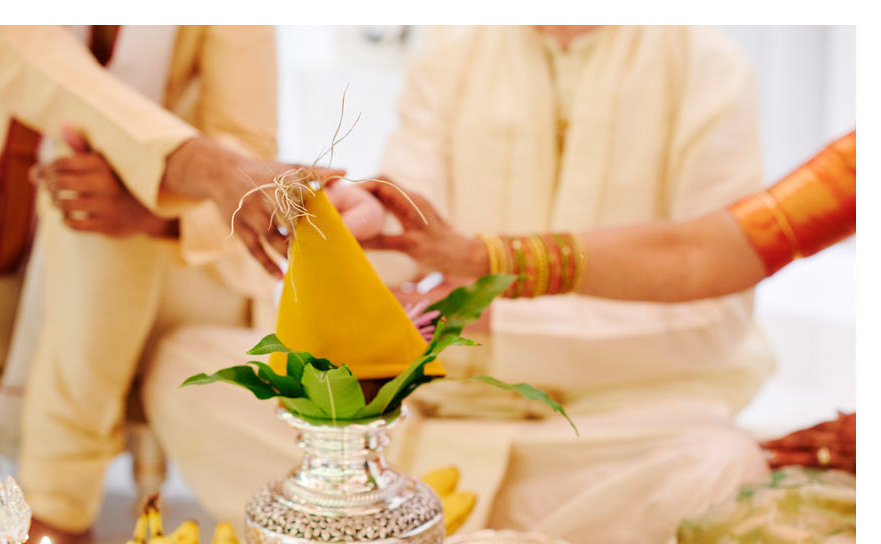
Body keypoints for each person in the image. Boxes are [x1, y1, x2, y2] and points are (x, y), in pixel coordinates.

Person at [139, 25, 776, 544]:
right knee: (183, 371)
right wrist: (353, 222)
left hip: (598, 424)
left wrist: (496, 319)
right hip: (432, 406)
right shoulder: (455, 47)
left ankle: (390, 529)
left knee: (721, 464)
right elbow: (410, 244)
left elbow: (713, 318)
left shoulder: (707, 65)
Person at [0, 25, 309, 544]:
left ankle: (56, 498)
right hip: (21, 244)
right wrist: (195, 163)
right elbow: (29, 59)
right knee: (64, 162)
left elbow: (248, 152)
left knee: (91, 173)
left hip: (177, 265)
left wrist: (156, 206)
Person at [339, 130, 855, 303]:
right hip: (456, 393)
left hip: (630, 404)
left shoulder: (704, 56)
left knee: (720, 472)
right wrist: (477, 257)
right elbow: (706, 252)